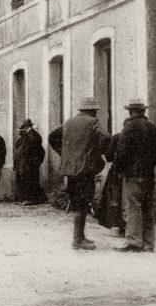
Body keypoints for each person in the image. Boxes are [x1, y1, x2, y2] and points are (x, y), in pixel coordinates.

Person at [49, 98, 110, 250]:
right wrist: (96, 153)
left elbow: (52, 136)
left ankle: (80, 236)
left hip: (70, 170)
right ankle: (78, 239)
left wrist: (65, 154)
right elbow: (106, 137)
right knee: (83, 203)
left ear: (80, 110)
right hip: (85, 170)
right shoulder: (93, 122)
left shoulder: (69, 122)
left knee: (77, 202)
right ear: (92, 110)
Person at [114, 98, 156, 253]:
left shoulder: (129, 128)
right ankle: (149, 243)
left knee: (133, 207)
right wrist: (149, 164)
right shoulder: (152, 128)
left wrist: (121, 169)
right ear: (143, 111)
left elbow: (121, 153)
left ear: (130, 112)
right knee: (147, 208)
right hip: (148, 174)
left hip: (132, 175)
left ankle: (134, 241)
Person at [94, 132, 125, 236]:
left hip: (117, 172)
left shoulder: (117, 137)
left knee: (114, 199)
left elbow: (109, 157)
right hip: (135, 172)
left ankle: (116, 227)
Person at [14, 119, 46, 205]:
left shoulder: (30, 135)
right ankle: (29, 199)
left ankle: (30, 199)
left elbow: (29, 151)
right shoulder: (33, 135)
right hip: (30, 163)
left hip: (29, 164)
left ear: (26, 127)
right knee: (30, 181)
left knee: (30, 181)